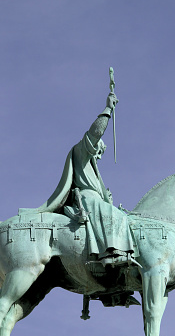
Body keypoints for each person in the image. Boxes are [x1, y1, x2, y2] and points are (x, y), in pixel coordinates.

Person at [33, 92, 139, 267]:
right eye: (99, 149)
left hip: (95, 199)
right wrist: (108, 109)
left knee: (119, 213)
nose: (99, 154)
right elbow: (95, 133)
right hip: (86, 199)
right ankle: (110, 254)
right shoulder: (81, 153)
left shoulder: (92, 167)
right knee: (113, 214)